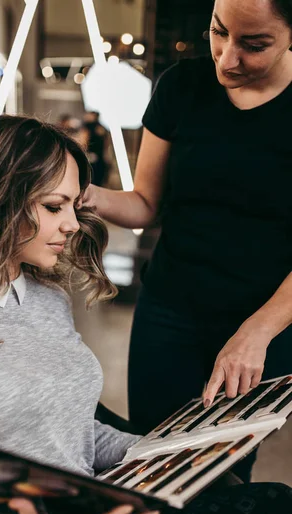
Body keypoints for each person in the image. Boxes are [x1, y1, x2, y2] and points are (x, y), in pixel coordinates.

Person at [0, 115, 291, 514]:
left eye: (73, 206)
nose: (72, 225)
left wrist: (172, 455)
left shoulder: (43, 296)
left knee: (269, 513)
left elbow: (77, 431)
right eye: (53, 206)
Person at [80, 0, 292, 475]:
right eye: (219, 33)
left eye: (253, 45)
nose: (227, 58)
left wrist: (255, 333)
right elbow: (145, 204)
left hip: (265, 324)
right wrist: (80, 194)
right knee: (151, 460)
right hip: (169, 312)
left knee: (222, 475)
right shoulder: (181, 86)